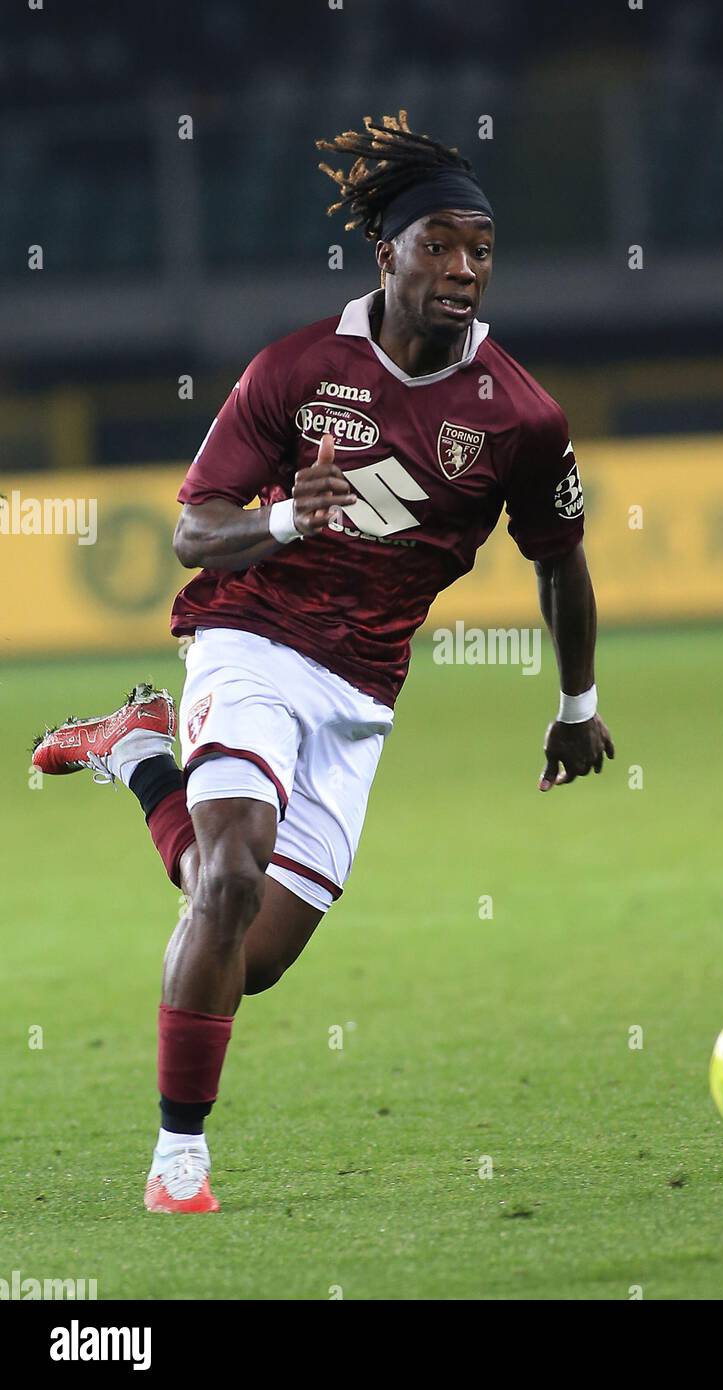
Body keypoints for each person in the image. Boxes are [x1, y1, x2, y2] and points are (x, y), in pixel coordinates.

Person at [33, 111, 614, 1213]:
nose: (462, 269)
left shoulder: (524, 416)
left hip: (361, 690)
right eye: (438, 244)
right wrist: (286, 525)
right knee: (234, 871)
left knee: (244, 949)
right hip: (251, 638)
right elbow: (195, 530)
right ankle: (178, 1162)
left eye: (480, 250)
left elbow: (560, 560)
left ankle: (143, 753)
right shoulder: (298, 368)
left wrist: (578, 702)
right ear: (385, 251)